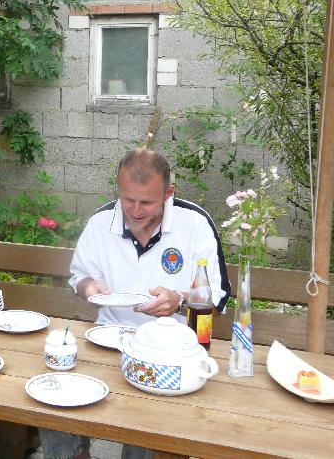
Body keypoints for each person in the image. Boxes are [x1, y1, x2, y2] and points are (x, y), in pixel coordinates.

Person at [38, 147, 231, 459]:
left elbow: (218, 297)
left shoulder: (195, 224)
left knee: (147, 430)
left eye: (147, 202)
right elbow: (80, 276)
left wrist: (180, 301)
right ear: (118, 186)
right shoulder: (101, 222)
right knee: (55, 400)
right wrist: (88, 287)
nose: (136, 210)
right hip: (106, 344)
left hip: (169, 355)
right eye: (128, 199)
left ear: (168, 193)